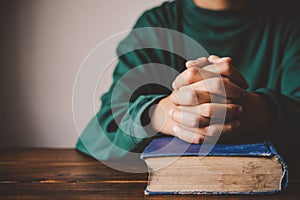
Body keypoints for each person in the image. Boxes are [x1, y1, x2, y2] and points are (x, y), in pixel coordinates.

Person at [76, 0, 300, 162]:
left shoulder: (293, 21)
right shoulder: (155, 26)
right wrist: (166, 114)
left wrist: (247, 108)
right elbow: (103, 129)